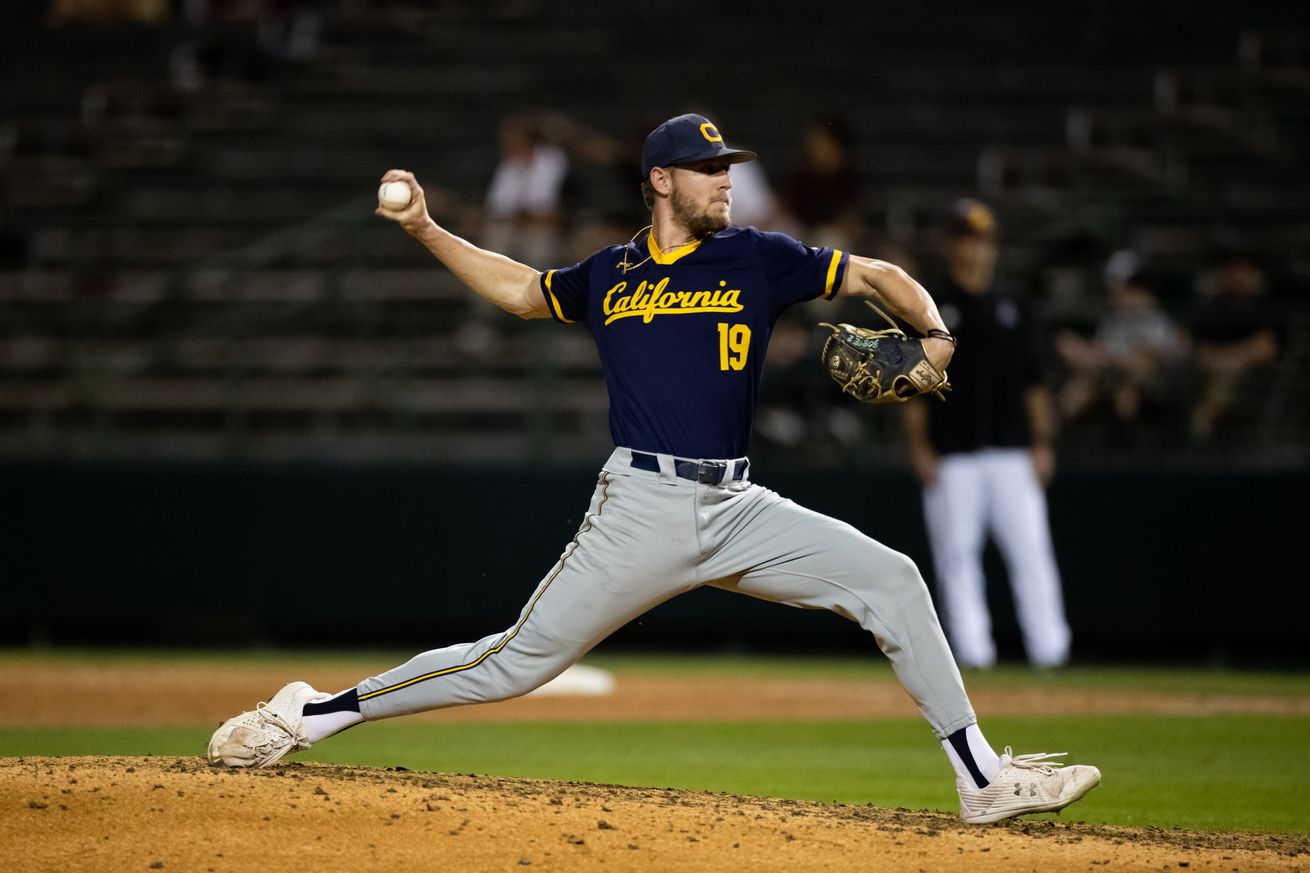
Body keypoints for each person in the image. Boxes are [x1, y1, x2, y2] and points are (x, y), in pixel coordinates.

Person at [208, 115, 1099, 824]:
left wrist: (938, 339)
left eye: (730, 166)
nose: (727, 180)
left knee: (892, 579)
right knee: (514, 662)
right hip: (642, 503)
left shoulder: (759, 255)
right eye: (710, 167)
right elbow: (522, 290)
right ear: (662, 180)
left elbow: (877, 274)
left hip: (740, 503)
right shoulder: (611, 272)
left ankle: (981, 775)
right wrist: (426, 226)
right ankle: (314, 711)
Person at [901, 198, 1072, 670]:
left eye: (982, 239)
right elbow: (913, 385)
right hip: (952, 453)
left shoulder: (1016, 305)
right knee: (958, 559)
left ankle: (1050, 650)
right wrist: (919, 447)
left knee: (1032, 554)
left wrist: (1042, 444)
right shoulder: (931, 305)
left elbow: (1036, 384)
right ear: (950, 244)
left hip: (1013, 453)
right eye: (965, 238)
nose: (975, 249)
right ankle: (973, 655)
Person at [1055, 250, 1185, 436]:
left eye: (1125, 285)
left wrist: (1110, 357)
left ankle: (1125, 443)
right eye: (1118, 285)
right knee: (1080, 385)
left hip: (1149, 384)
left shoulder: (1155, 317)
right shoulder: (1114, 319)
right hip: (1105, 376)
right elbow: (1099, 349)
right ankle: (1049, 436)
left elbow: (1164, 354)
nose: (1118, 291)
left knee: (1125, 386)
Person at [1187, 246, 1280, 444]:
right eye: (1232, 269)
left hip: (1253, 375)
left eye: (1244, 269)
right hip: (1209, 372)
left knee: (1221, 386)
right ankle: (1200, 442)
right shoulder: (1211, 306)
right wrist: (1223, 360)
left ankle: (1200, 439)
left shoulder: (1263, 306)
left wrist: (1233, 359)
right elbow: (1197, 348)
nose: (1238, 275)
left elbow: (1266, 348)